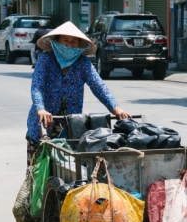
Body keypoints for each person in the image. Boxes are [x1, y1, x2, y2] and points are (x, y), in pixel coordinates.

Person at [26, 21, 132, 165]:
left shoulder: (83, 63)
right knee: (37, 168)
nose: (70, 44)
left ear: (79, 44)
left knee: (68, 170)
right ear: (56, 41)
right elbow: (37, 86)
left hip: (69, 125)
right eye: (65, 40)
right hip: (43, 124)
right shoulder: (46, 59)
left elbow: (98, 86)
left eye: (74, 41)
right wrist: (41, 109)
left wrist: (115, 108)